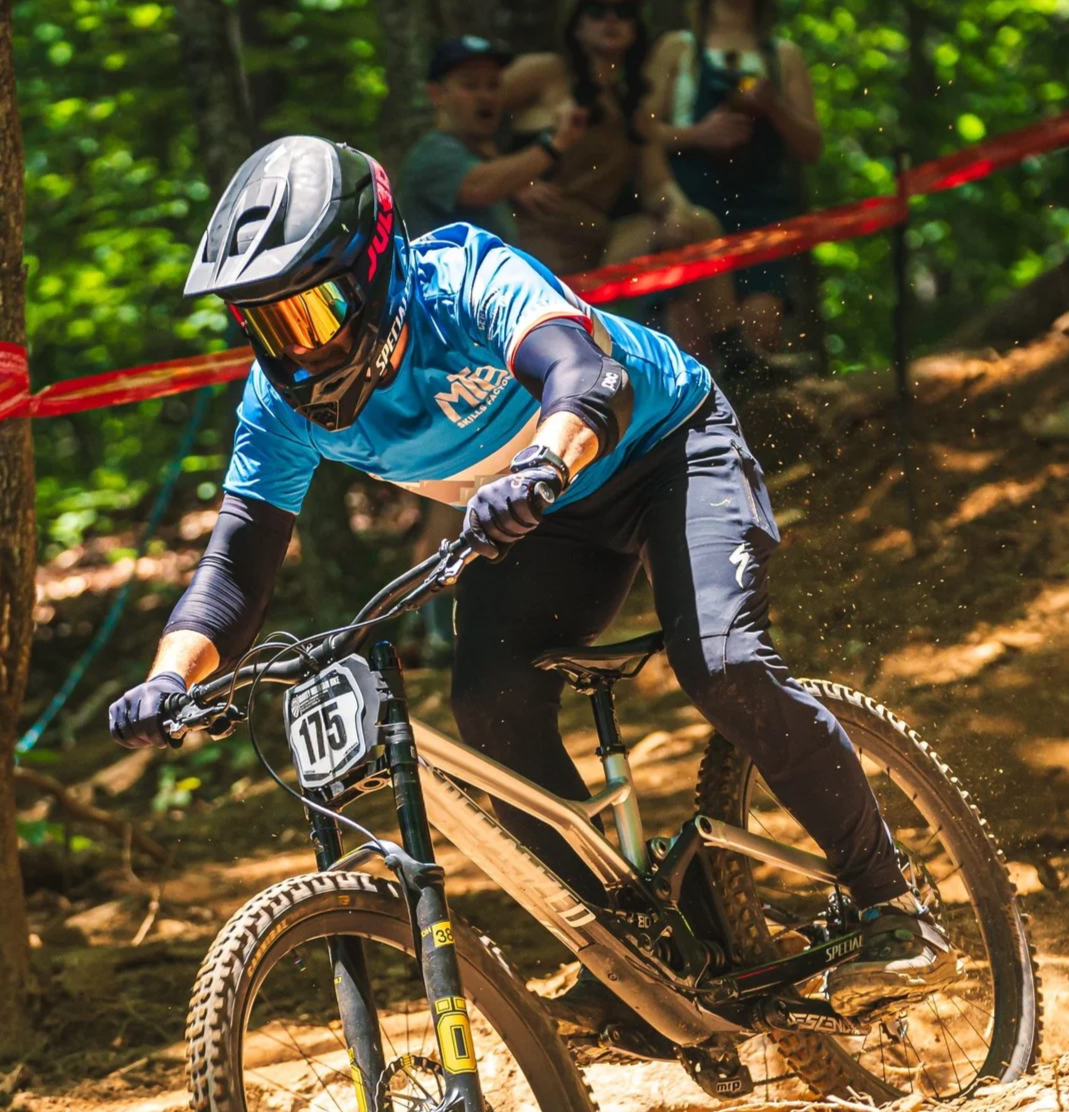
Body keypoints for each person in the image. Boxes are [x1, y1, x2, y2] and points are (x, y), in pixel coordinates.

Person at [109, 136, 952, 1018]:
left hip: (665, 446)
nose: (296, 352)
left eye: (309, 314)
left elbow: (588, 376)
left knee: (724, 664)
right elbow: (235, 568)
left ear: (371, 270)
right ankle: (630, 944)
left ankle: (888, 898)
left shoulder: (463, 278)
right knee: (489, 703)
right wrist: (171, 676)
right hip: (545, 511)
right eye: (265, 324)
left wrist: (543, 464)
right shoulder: (274, 406)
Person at [496, 0, 738, 365]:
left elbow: (657, 183)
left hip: (599, 241)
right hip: (535, 241)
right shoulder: (545, 71)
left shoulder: (633, 106)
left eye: (623, 12)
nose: (611, 20)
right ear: (576, 25)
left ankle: (737, 359)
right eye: (597, 10)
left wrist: (677, 210)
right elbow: (466, 118)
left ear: (637, 28)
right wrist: (512, 180)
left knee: (698, 223)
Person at [644, 0, 824, 357]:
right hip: (691, 209)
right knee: (691, 345)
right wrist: (698, 135)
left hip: (761, 215)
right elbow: (639, 132)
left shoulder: (782, 56)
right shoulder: (678, 48)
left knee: (759, 332)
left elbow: (811, 147)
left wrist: (774, 107)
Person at [399, 35, 584, 244]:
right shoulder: (432, 153)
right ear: (437, 94)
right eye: (470, 85)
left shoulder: (477, 155)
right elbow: (481, 186)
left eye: (493, 85)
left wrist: (514, 184)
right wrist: (555, 144)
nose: (485, 96)